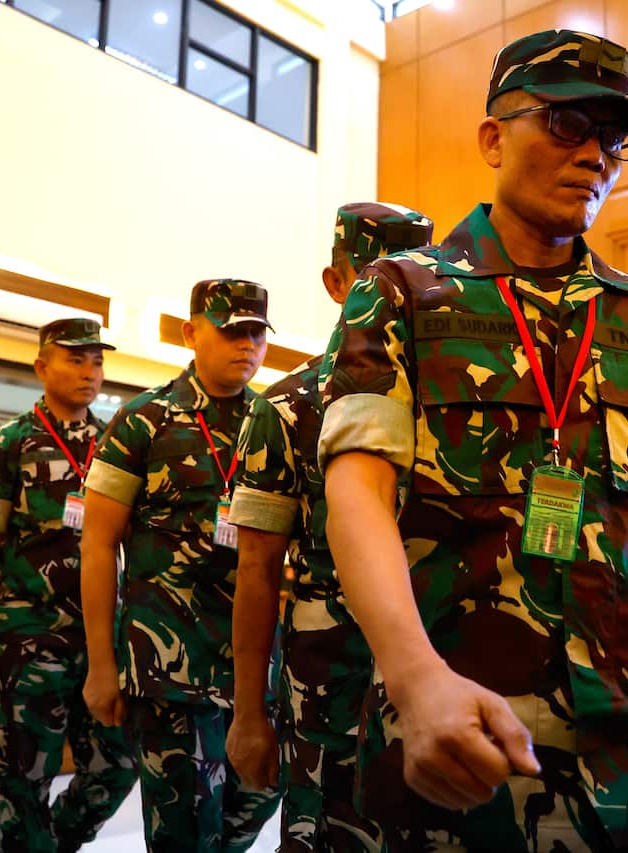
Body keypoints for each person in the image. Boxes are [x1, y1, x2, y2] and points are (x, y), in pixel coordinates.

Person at [317, 29, 628, 852]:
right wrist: (415, 676)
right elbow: (355, 493)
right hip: (470, 738)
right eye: (566, 125)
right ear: (493, 137)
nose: (595, 157)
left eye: (615, 140)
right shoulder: (404, 292)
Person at [228, 203, 434, 852]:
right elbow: (257, 568)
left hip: (438, 673)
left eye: (416, 275)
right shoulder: (291, 405)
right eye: (374, 277)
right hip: (328, 691)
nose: (397, 293)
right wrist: (249, 712)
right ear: (336, 283)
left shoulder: (459, 395)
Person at [81, 280, 282, 852]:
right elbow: (97, 545)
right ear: (192, 333)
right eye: (232, 331)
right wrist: (102, 665)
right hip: (169, 667)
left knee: (258, 801)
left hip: (254, 668)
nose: (247, 347)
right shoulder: (144, 420)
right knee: (185, 831)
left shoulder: (272, 422)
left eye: (256, 335)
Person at [0, 318, 136, 853]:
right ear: (42, 367)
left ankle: (55, 844)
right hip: (29, 636)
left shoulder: (115, 443)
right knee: (22, 777)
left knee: (118, 764)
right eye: (75, 359)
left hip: (103, 638)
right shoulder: (8, 443)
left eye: (97, 361)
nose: (89, 372)